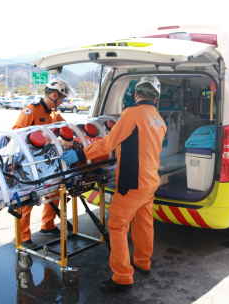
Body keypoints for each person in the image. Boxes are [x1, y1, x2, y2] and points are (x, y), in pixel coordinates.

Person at [61, 76, 166, 292]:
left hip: (133, 184)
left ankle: (122, 277)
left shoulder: (132, 114)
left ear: (136, 94)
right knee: (143, 222)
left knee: (117, 226)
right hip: (150, 182)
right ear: (156, 97)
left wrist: (80, 154)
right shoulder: (159, 119)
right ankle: (142, 262)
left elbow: (109, 142)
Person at [12, 78, 71, 249]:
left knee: (53, 192)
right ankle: (23, 236)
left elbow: (66, 128)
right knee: (28, 198)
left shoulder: (55, 114)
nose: (62, 102)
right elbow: (16, 133)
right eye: (62, 99)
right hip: (29, 162)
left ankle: (48, 225)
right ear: (54, 95)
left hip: (48, 162)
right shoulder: (31, 111)